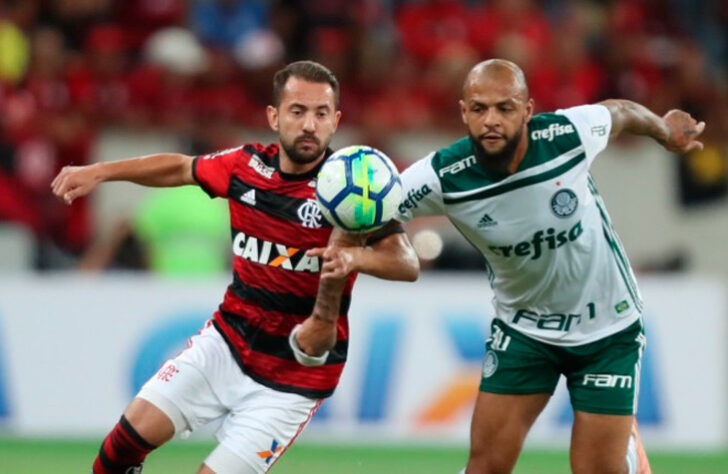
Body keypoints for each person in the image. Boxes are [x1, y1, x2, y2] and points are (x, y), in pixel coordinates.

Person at [51, 60, 419, 474]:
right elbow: (180, 167)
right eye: (298, 112)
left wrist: (356, 255)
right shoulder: (246, 167)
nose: (310, 125)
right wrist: (100, 171)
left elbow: (406, 262)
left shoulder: (350, 187)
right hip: (225, 345)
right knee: (119, 450)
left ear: (335, 121)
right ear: (274, 116)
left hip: (291, 380)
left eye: (320, 114)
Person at [395, 59, 704, 474]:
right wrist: (350, 253)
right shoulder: (442, 177)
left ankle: (624, 447)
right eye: (480, 108)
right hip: (525, 332)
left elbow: (622, 112)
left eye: (505, 108)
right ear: (463, 112)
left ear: (527, 110)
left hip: (607, 330)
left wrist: (664, 131)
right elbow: (374, 209)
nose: (491, 120)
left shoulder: (566, 135)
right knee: (485, 466)